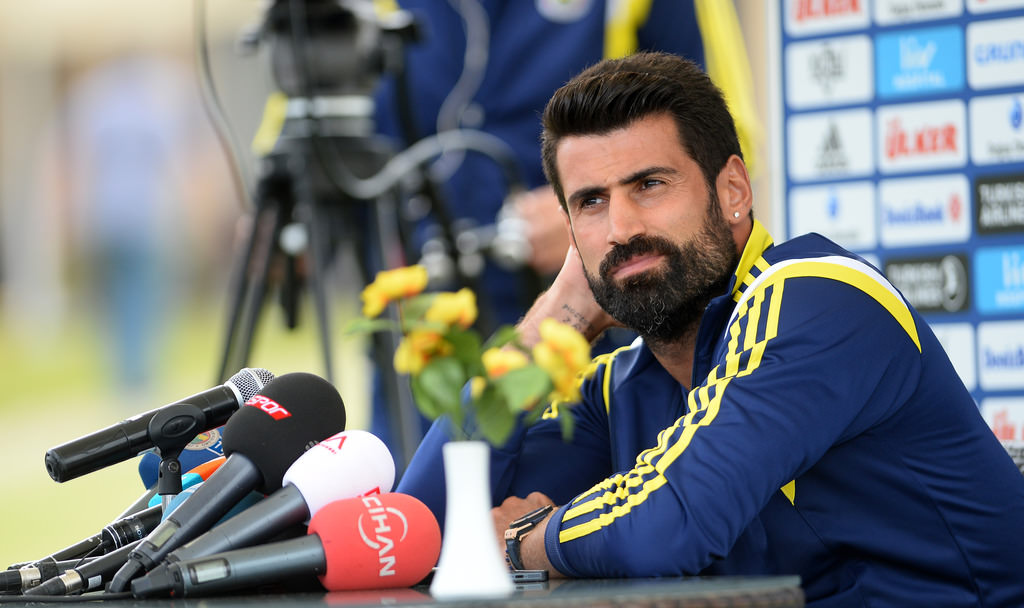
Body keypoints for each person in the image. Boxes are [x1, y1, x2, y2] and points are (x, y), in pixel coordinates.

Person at [397, 52, 1024, 606]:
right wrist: (557, 316)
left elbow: (669, 524)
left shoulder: (819, 301)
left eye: (649, 185)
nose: (620, 228)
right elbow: (418, 534)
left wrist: (521, 541)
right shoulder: (624, 385)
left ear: (732, 191)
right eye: (591, 202)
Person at [370, 0, 754, 464]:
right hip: (421, 317)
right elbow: (324, 128)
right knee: (406, 494)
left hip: (604, 308)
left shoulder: (798, 308)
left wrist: (590, 210)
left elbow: (723, 134)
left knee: (621, 473)